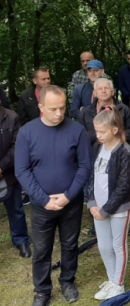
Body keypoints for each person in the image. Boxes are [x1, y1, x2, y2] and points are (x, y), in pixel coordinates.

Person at [15, 85, 91, 306]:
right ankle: (42, 291)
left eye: (62, 107)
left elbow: (85, 166)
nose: (59, 113)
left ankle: (67, 281)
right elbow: (22, 170)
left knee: (70, 245)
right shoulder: (27, 133)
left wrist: (68, 196)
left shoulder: (76, 130)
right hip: (41, 205)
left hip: (72, 202)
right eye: (53, 109)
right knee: (41, 250)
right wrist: (43, 199)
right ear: (40, 107)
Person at [87, 106, 130, 301]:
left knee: (118, 246)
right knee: (104, 247)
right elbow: (92, 177)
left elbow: (123, 186)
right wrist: (91, 203)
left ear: (115, 130)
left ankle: (118, 284)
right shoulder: (99, 148)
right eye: (96, 131)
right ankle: (111, 279)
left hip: (118, 209)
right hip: (99, 208)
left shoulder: (125, 151)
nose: (98, 135)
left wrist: (106, 210)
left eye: (102, 131)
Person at [0, 102, 31, 258]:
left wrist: (1, 167)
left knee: (16, 209)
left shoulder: (12, 117)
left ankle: (21, 241)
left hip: (9, 172)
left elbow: (16, 146)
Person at [78, 78, 130, 145]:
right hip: (93, 152)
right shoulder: (85, 112)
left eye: (106, 88)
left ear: (112, 92)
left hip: (117, 150)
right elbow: (80, 135)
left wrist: (114, 138)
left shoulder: (123, 109)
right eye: (100, 89)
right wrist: (100, 134)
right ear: (95, 93)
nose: (103, 91)